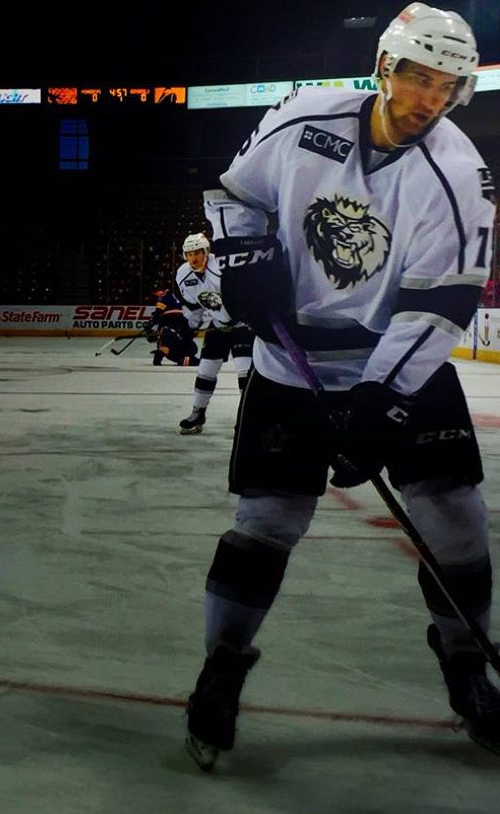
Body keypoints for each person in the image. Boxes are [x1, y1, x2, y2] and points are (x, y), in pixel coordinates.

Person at [185, 3, 497, 770]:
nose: (429, 98)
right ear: (383, 69)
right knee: (264, 522)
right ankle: (221, 665)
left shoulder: (458, 173)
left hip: (399, 361)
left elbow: (439, 303)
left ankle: (466, 664)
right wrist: (243, 253)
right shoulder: (302, 117)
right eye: (417, 77)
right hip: (290, 363)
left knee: (456, 520)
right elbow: (231, 193)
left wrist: (383, 401)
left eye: (446, 84)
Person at [174, 233, 254, 434]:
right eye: (189, 254)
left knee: (245, 373)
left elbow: (245, 295)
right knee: (206, 371)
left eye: (197, 253)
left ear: (206, 252)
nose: (193, 259)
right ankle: (198, 412)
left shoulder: (222, 267)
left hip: (242, 325)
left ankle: (249, 418)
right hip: (217, 325)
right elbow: (194, 306)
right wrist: (191, 325)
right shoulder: (183, 274)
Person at [144, 287, 199, 366]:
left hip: (170, 321)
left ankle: (161, 354)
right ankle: (162, 353)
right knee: (185, 341)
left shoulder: (164, 296)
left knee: (169, 338)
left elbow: (158, 312)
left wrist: (152, 322)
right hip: (180, 320)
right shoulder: (178, 295)